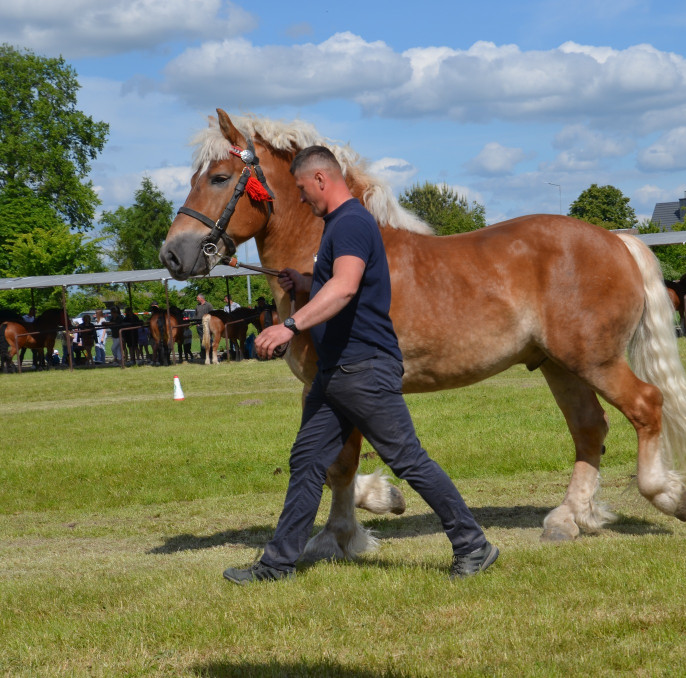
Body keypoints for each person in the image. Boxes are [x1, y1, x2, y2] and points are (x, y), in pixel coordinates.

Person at [223, 145, 497, 584]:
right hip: (337, 371)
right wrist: (306, 282)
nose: (300, 199)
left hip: (363, 367)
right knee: (307, 462)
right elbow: (341, 283)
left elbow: (347, 288)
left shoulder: (349, 223)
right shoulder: (339, 226)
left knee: (409, 460)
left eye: (301, 189)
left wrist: (290, 325)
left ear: (320, 180)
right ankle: (277, 565)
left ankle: (473, 544)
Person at [194, 294, 213, 361]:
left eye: (197, 298)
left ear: (201, 298)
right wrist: (196, 323)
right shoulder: (197, 306)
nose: (197, 299)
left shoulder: (208, 305)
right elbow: (196, 314)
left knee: (209, 339)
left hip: (207, 325)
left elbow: (211, 314)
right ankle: (203, 355)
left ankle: (210, 354)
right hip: (199, 325)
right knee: (201, 340)